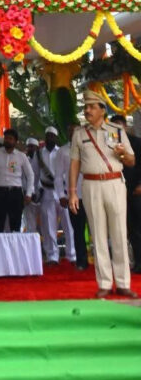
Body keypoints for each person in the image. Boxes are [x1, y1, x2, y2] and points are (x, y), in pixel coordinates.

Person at [69, 90, 136, 299]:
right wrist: (72, 192)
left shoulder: (117, 130)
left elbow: (131, 161)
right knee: (98, 235)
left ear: (102, 110)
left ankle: (123, 283)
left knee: (119, 234)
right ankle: (105, 283)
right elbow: (74, 164)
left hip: (115, 182)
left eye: (91, 107)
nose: (87, 110)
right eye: (85, 107)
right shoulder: (79, 134)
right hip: (91, 185)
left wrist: (122, 154)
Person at [0, 128, 34, 233]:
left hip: (15, 193)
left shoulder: (21, 156)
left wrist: (29, 193)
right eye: (6, 138)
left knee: (15, 225)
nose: (7, 141)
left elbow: (30, 175)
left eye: (10, 139)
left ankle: (14, 244)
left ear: (15, 141)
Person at [109, 114, 141, 273]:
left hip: (137, 191)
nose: (117, 130)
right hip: (119, 191)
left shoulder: (137, 142)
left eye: (119, 127)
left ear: (125, 127)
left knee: (138, 227)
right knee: (129, 229)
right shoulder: (109, 145)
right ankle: (136, 262)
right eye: (113, 127)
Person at [54, 124, 88, 270]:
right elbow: (58, 176)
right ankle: (81, 261)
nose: (72, 133)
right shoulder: (62, 151)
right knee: (78, 230)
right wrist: (62, 195)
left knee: (97, 229)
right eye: (70, 131)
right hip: (74, 197)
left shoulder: (88, 147)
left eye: (75, 131)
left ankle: (100, 261)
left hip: (91, 195)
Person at [39, 126, 75, 264]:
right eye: (48, 135)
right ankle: (52, 256)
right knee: (49, 226)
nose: (50, 138)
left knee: (68, 225)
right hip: (47, 192)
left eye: (52, 136)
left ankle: (71, 255)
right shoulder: (38, 154)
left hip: (64, 192)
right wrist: (35, 191)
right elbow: (35, 174)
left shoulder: (62, 152)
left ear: (56, 137)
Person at [23, 137, 42, 234]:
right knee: (30, 225)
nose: (30, 149)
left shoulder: (41, 161)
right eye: (28, 147)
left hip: (41, 196)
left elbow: (42, 177)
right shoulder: (24, 160)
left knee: (45, 224)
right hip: (28, 197)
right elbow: (22, 179)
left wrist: (38, 193)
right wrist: (28, 193)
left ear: (37, 148)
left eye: (32, 147)